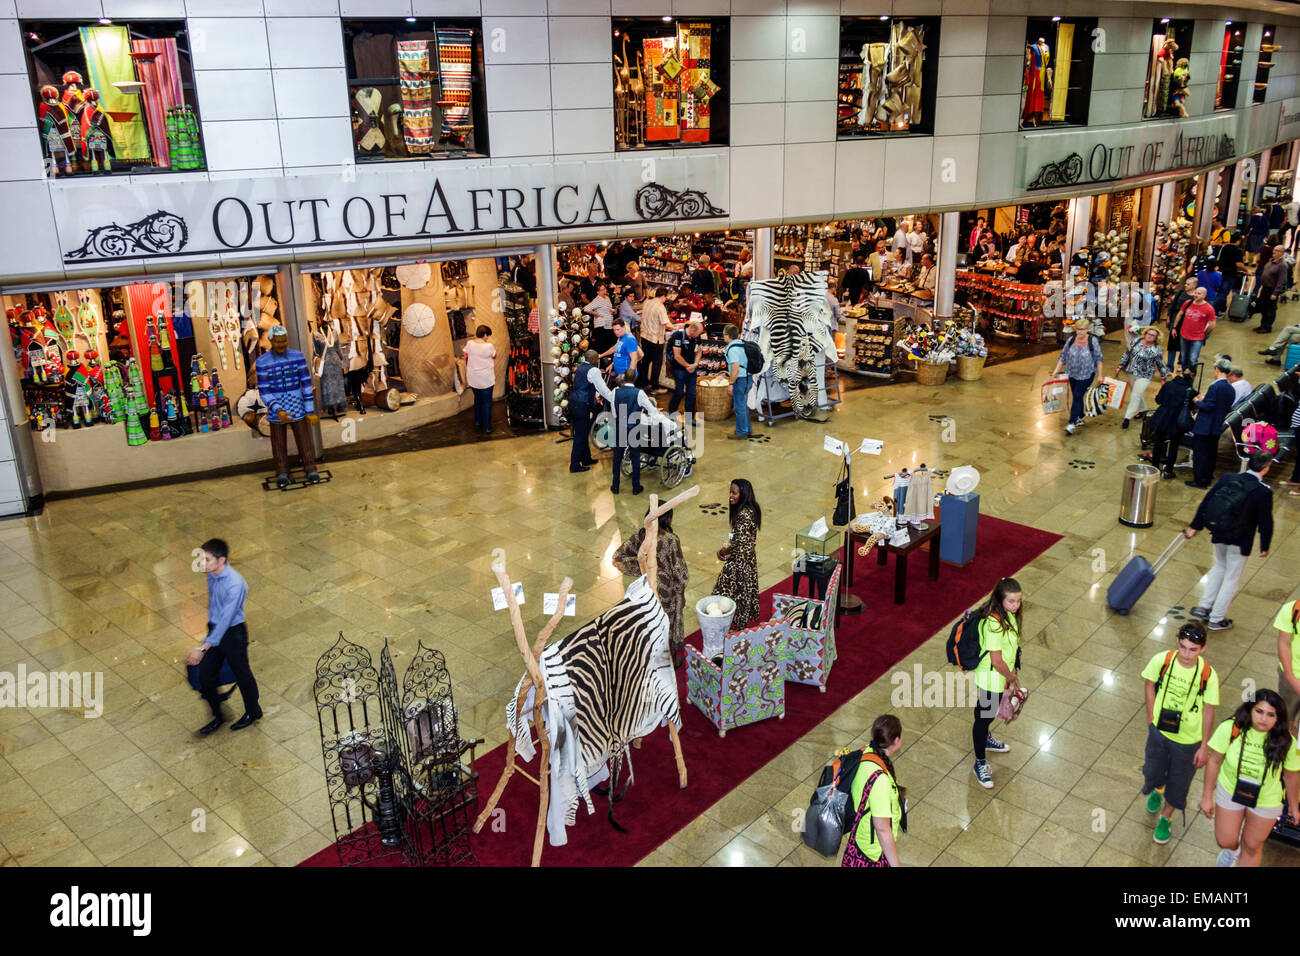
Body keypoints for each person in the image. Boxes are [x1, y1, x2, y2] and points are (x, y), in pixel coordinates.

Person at [1200, 690, 1300, 867]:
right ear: (1250, 710)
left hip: (1267, 800)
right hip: (1230, 790)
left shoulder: (1287, 742)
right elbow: (1214, 761)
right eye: (1259, 711)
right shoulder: (1231, 728)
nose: (1263, 719)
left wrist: (1293, 806)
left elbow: (1291, 776)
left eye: (1271, 715)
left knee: (1252, 846)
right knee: (1225, 840)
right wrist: (1207, 796)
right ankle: (1233, 852)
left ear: (1279, 718)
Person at [1141, 621, 1220, 845]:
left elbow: (1208, 710)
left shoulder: (1208, 675)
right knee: (1152, 771)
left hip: (1188, 741)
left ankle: (1166, 817)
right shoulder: (1162, 660)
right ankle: (1158, 787)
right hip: (1159, 731)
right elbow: (1149, 684)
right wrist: (1150, 718)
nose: (1186, 654)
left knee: (1179, 783)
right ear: (1177, 641)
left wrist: (1204, 745)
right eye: (1183, 647)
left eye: (1193, 649)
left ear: (1203, 648)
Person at [1184, 450, 1274, 628]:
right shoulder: (1262, 492)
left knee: (1219, 566)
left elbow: (1207, 501)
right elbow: (1266, 521)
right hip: (1240, 540)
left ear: (1248, 464)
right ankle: (1217, 619)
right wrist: (1265, 545)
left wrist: (1195, 525)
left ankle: (1204, 606)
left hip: (1219, 531)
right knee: (1231, 578)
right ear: (1265, 469)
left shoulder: (1227, 478)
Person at [186, 538, 261, 735]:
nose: (203, 564)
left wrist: (203, 648)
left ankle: (253, 712)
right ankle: (219, 716)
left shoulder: (236, 584)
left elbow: (227, 619)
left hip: (233, 633)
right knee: (205, 677)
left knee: (242, 674)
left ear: (222, 560)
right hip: (215, 629)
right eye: (202, 559)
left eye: (207, 560)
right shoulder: (212, 575)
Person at [613, 504, 689, 668]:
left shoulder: (640, 536)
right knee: (668, 624)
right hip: (666, 590)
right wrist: (680, 593)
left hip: (646, 588)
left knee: (650, 621)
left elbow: (618, 558)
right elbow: (681, 572)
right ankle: (669, 660)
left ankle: (649, 658)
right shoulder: (671, 540)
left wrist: (642, 570)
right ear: (667, 518)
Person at [971, 578, 1022, 789]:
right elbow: (996, 660)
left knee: (986, 713)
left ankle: (986, 737)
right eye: (1011, 601)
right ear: (1000, 600)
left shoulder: (1008, 615)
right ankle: (980, 763)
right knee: (984, 717)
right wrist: (1011, 678)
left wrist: (1012, 671)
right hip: (991, 678)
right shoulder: (993, 623)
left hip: (1000, 676)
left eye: (1018, 601)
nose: (1016, 605)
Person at [842, 714, 905, 868]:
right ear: (896, 741)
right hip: (871, 851)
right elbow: (882, 829)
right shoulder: (880, 781)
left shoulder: (866, 752)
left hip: (858, 837)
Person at [714, 478, 761, 628]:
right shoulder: (750, 510)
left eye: (734, 493)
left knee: (724, 597)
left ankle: (730, 628)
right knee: (741, 597)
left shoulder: (744, 515)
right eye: (730, 492)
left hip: (739, 564)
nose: (730, 496)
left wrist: (723, 552)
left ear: (744, 494)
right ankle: (737, 626)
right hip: (746, 561)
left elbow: (738, 544)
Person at [1185, 358, 1236, 488]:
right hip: (1217, 425)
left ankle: (1199, 480)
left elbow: (1208, 407)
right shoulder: (1230, 388)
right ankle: (1207, 477)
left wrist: (1197, 401)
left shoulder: (1215, 386)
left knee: (1200, 454)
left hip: (1205, 426)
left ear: (1217, 370)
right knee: (1211, 454)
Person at [1052, 319, 1104, 435]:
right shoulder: (1071, 340)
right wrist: (1056, 371)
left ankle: (1072, 423)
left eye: (1083, 329)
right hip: (1072, 373)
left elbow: (1099, 359)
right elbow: (1063, 356)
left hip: (1087, 374)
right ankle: (1080, 416)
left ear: (1087, 330)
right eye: (1078, 329)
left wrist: (1100, 375)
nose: (1080, 332)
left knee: (1077, 395)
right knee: (1077, 396)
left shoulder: (1093, 341)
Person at [608, 372, 656, 496]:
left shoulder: (615, 392)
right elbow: (652, 409)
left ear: (624, 378)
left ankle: (615, 485)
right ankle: (636, 487)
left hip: (620, 427)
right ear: (635, 378)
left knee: (617, 457)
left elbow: (614, 412)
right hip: (634, 428)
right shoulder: (639, 393)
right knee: (635, 457)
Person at [1116, 325, 1168, 428]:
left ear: (1156, 338)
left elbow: (1161, 365)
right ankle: (1143, 410)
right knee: (1136, 394)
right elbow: (1127, 353)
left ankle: (1127, 418)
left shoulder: (1156, 350)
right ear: (1145, 333)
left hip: (1145, 376)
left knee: (1135, 395)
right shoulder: (1136, 341)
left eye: (1153, 335)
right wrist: (1121, 365)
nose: (1149, 336)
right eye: (1149, 334)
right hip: (1131, 372)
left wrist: (1163, 378)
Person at [1149, 366, 1196, 478]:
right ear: (1193, 377)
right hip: (1177, 420)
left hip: (1163, 417)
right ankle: (1168, 470)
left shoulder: (1169, 384)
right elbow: (1192, 408)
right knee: (1174, 446)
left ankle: (1154, 468)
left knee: (1158, 443)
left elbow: (1158, 400)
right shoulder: (1190, 391)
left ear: (1181, 374)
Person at [568, 349, 607, 473]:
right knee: (580, 435)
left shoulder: (580, 367)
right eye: (597, 360)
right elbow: (603, 389)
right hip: (582, 405)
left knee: (583, 432)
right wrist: (614, 397)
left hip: (573, 403)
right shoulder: (594, 370)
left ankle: (586, 458)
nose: (597, 362)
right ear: (593, 360)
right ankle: (574, 465)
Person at [463, 324, 496, 434]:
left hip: (473, 377)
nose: (488, 338)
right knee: (487, 402)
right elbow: (494, 355)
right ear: (485, 334)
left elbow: (465, 355)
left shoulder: (470, 343)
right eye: (488, 335)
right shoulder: (489, 346)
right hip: (486, 378)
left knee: (477, 399)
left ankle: (477, 421)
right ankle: (487, 427)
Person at [1174, 285, 1216, 371]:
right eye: (1195, 293)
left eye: (1199, 293)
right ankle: (1184, 375)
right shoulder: (1187, 303)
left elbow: (1212, 324)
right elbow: (1180, 314)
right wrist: (1174, 327)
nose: (1196, 295)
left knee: (1192, 360)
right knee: (1183, 358)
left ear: (1204, 296)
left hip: (1197, 338)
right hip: (1184, 335)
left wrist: (1204, 334)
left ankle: (1190, 377)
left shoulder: (1209, 308)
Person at [1275, 598, 1300, 736]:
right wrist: (1291, 677)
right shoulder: (1292, 610)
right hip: (1291, 679)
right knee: (1285, 717)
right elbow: (1283, 643)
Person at [667, 319, 703, 416]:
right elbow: (677, 355)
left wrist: (695, 364)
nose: (699, 335)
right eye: (698, 333)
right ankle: (672, 412)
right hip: (679, 369)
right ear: (692, 330)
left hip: (691, 369)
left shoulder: (696, 337)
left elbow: (699, 351)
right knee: (679, 392)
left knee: (692, 393)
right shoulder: (678, 336)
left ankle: (690, 417)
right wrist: (687, 366)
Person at [723, 324, 751, 440]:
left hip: (740, 380)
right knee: (743, 405)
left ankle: (741, 432)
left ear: (727, 336)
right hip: (748, 377)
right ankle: (746, 428)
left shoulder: (733, 349)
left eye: (724, 334)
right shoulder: (742, 344)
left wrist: (731, 383)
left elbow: (735, 368)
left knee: (739, 407)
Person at [638, 286, 669, 391]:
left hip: (645, 337)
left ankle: (643, 383)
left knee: (645, 361)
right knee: (657, 363)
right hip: (656, 339)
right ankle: (654, 387)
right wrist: (678, 327)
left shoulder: (647, 302)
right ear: (664, 296)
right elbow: (666, 324)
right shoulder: (661, 307)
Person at [1255, 244, 1289, 334]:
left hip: (1272, 290)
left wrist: (1275, 293)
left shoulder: (1282, 265)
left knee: (1270, 309)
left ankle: (1267, 327)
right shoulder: (1270, 260)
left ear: (1282, 253)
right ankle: (1262, 325)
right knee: (1263, 307)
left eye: (1277, 250)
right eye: (1274, 249)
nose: (1274, 251)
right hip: (1265, 288)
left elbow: (1282, 280)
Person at [1165, 274, 1197, 369]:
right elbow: (1173, 305)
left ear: (1194, 286)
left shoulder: (1195, 297)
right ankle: (1169, 365)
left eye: (1188, 284)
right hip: (1175, 319)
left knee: (1183, 343)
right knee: (1172, 343)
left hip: (1187, 322)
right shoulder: (1180, 293)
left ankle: (1180, 363)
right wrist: (1169, 316)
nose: (1185, 285)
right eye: (1186, 284)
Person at [1216, 233, 1245, 313]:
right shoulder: (1237, 250)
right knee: (1223, 293)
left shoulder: (1224, 247)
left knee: (1221, 291)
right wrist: (1246, 270)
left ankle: (1222, 309)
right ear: (1238, 241)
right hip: (1230, 274)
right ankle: (1215, 309)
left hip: (1221, 273)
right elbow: (1239, 264)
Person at [583, 281, 614, 354]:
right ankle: (601, 364)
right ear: (597, 292)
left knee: (608, 347)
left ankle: (605, 363)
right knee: (602, 348)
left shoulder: (607, 298)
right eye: (601, 290)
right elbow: (586, 308)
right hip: (601, 326)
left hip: (609, 325)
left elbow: (608, 309)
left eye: (604, 289)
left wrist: (613, 311)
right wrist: (595, 313)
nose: (604, 291)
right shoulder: (597, 300)